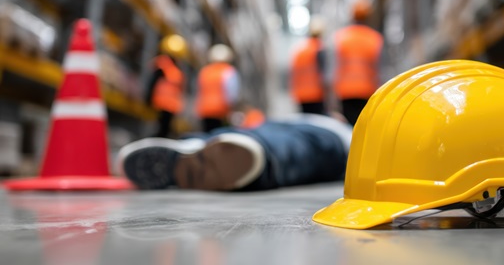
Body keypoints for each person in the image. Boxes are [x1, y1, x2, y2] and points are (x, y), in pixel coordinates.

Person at [117, 113, 351, 191]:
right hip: (333, 138)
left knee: (263, 134)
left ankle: (192, 145)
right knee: (301, 150)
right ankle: (264, 157)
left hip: (291, 126)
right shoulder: (343, 131)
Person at [333, 0, 383, 125]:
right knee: (364, 126)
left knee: (349, 126)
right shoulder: (375, 38)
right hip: (367, 91)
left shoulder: (340, 37)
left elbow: (334, 66)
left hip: (345, 91)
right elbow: (380, 68)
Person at [146, 35, 187, 138]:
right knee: (161, 130)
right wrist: (148, 97)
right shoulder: (163, 64)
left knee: (165, 130)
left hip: (171, 105)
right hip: (162, 104)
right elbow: (153, 81)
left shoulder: (175, 67)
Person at [195, 44, 240, 132]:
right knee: (218, 137)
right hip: (221, 111)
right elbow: (231, 93)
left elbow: (199, 90)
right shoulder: (229, 71)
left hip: (204, 109)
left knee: (207, 135)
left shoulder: (205, 71)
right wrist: (232, 110)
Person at [289, 17, 328, 115]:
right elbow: (323, 73)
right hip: (315, 94)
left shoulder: (300, 49)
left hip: (300, 94)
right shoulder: (319, 48)